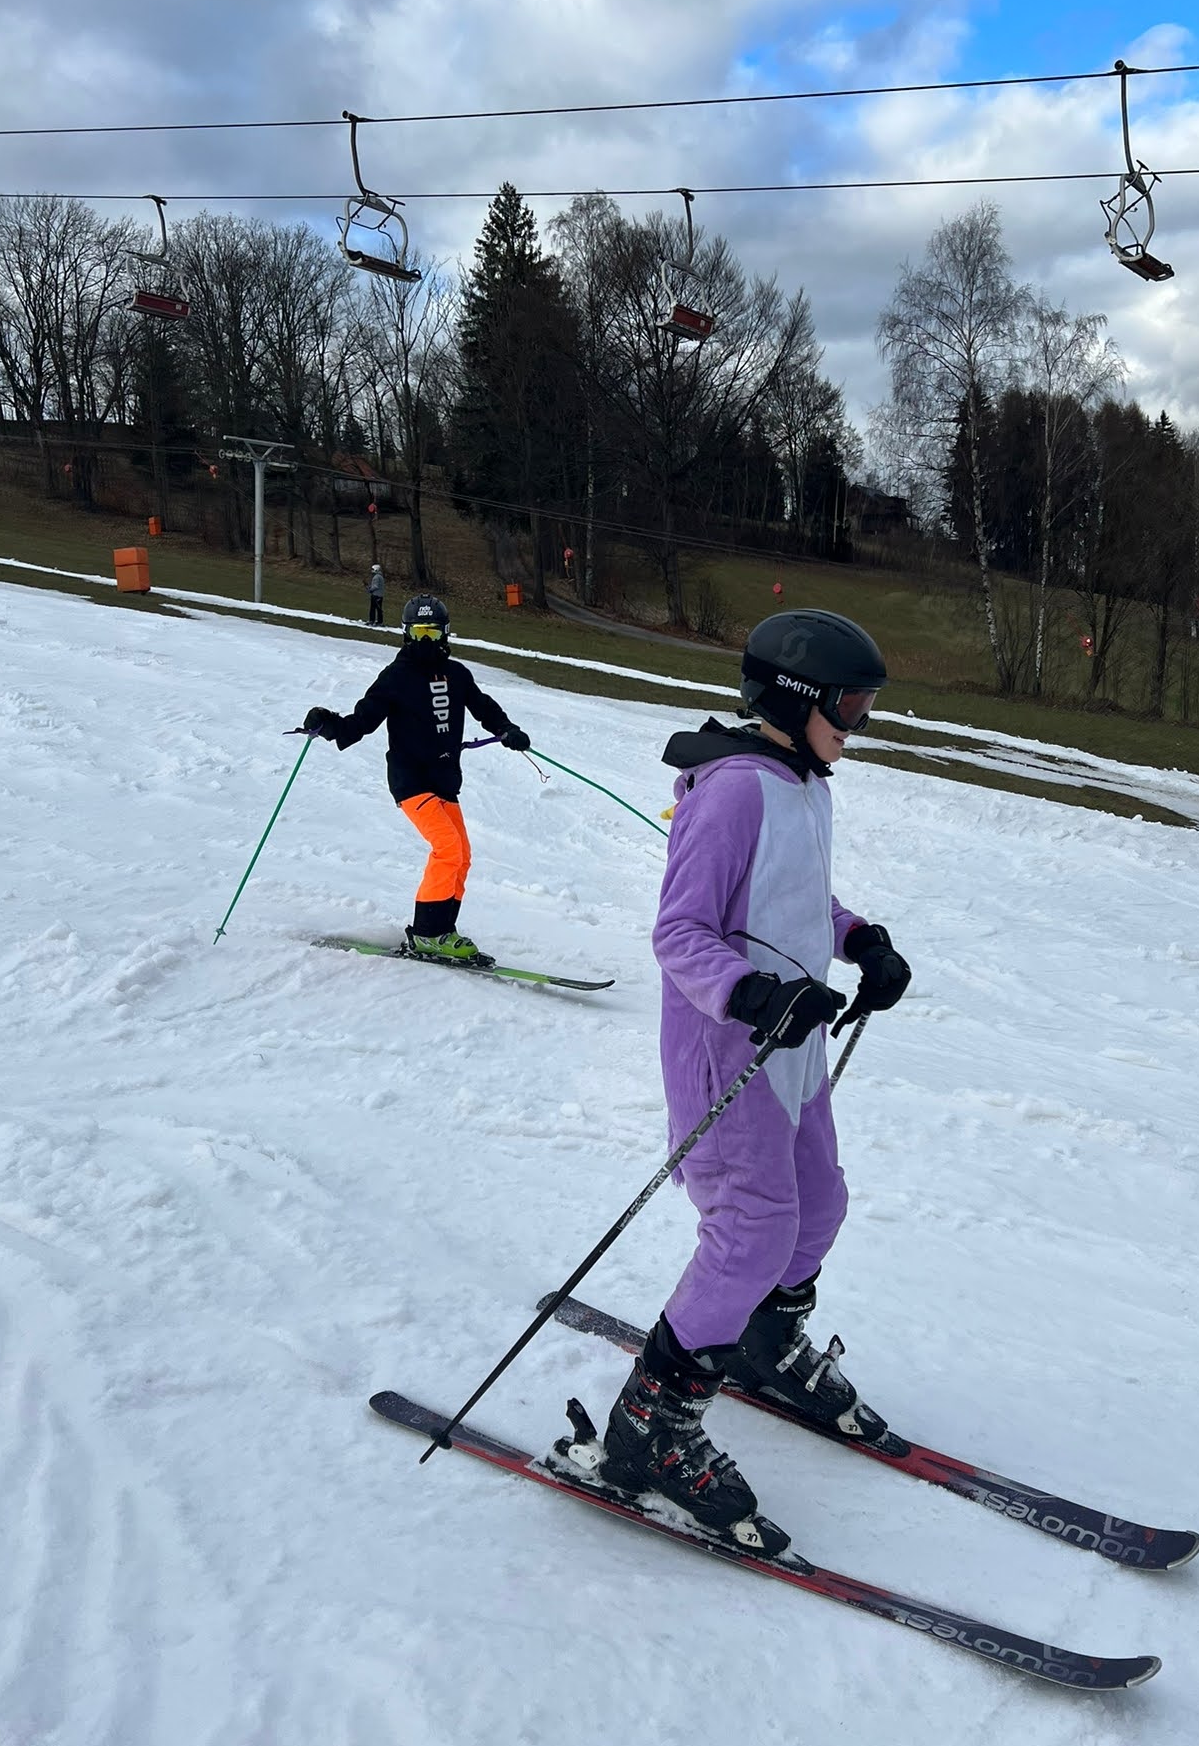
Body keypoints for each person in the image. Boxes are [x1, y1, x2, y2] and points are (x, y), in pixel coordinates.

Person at [594, 609, 911, 1556]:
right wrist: (754, 992)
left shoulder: (801, 783)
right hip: (728, 1048)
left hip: (792, 1046)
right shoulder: (734, 790)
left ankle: (765, 1343)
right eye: (849, 706)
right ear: (796, 698)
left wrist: (860, 939)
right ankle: (650, 1424)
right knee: (753, 1229)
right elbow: (680, 930)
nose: (858, 724)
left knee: (819, 1206)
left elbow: (794, 894)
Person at [300, 593, 531, 965]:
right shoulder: (397, 677)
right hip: (410, 780)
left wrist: (507, 730)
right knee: (448, 848)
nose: (426, 640)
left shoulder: (457, 674)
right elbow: (361, 722)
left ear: (445, 634)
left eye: (433, 632)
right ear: (406, 633)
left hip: (444, 779)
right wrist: (328, 725)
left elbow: (483, 707)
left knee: (462, 855)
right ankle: (427, 934)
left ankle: (443, 930)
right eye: (419, 632)